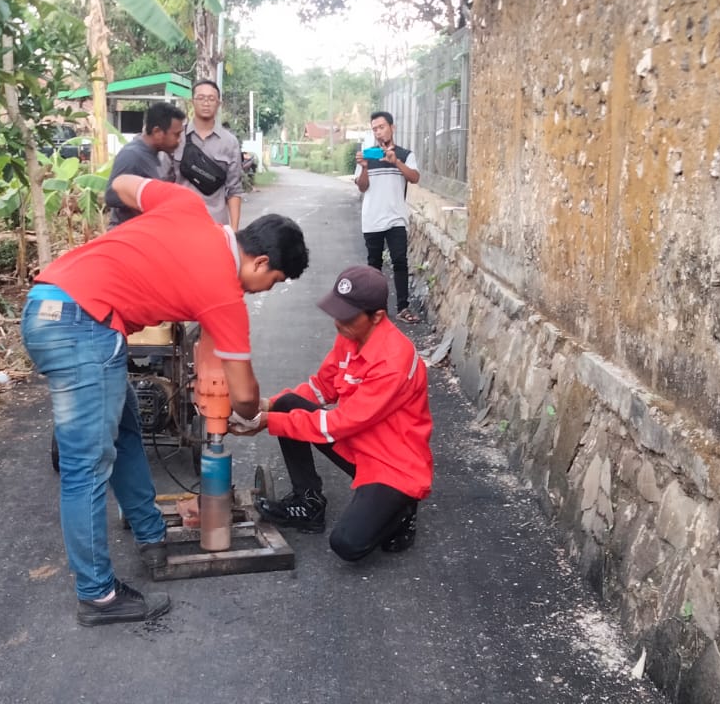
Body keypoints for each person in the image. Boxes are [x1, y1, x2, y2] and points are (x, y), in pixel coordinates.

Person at [22, 174, 309, 626]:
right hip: (81, 325)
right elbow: (246, 397)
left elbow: (122, 185)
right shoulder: (223, 294)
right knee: (87, 465)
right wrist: (256, 415)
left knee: (128, 429)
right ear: (261, 262)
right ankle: (97, 597)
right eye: (272, 282)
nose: (263, 291)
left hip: (53, 299)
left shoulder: (187, 205)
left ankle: (150, 531)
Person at [238, 265, 434, 561]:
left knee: (348, 545)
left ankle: (404, 509)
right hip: (357, 443)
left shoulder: (393, 360)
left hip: (393, 463)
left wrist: (268, 421)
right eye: (336, 312)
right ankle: (308, 504)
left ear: (377, 317)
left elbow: (337, 424)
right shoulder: (351, 335)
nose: (337, 323)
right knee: (287, 404)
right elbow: (321, 387)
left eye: (347, 316)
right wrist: (265, 405)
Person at [353, 111, 422, 323]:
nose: (378, 131)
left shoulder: (405, 154)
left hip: (396, 218)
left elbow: (415, 177)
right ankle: (377, 309)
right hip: (372, 218)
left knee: (400, 261)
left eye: (382, 126)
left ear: (392, 127)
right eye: (374, 128)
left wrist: (396, 162)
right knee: (374, 265)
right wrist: (364, 168)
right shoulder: (368, 155)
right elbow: (362, 187)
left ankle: (403, 307)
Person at [169, 80, 245, 230]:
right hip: (179, 223)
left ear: (219, 104)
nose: (206, 103)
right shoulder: (176, 137)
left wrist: (234, 232)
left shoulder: (230, 142)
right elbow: (163, 182)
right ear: (192, 102)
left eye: (211, 99)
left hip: (215, 225)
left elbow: (234, 189)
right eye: (201, 98)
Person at [106, 102, 186, 227]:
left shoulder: (156, 154)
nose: (179, 140)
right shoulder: (132, 155)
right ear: (157, 132)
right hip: (128, 236)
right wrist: (147, 196)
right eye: (176, 134)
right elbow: (111, 195)